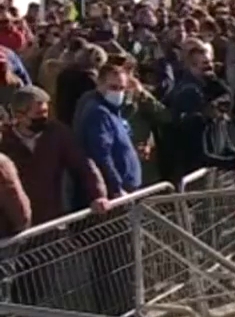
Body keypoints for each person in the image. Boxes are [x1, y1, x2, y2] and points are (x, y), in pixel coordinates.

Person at [0, 86, 108, 223]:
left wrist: (98, 195)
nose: (44, 118)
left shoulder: (56, 133)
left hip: (52, 219)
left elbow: (83, 164)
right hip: (15, 225)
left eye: (46, 112)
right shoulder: (5, 141)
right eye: (38, 114)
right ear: (19, 115)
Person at [76, 64, 142, 198]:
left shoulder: (112, 110)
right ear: (100, 84)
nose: (118, 93)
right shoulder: (99, 113)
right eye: (113, 87)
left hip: (128, 187)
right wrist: (116, 187)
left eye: (122, 88)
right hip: (118, 193)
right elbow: (101, 154)